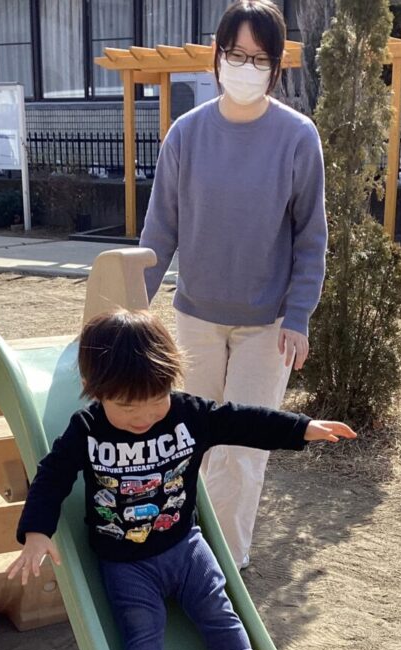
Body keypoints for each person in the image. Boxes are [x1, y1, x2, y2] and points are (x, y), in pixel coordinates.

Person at [6, 310, 355, 650]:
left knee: (218, 607)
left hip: (186, 547)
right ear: (96, 391)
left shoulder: (188, 414)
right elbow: (52, 476)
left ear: (171, 380)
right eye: (126, 406)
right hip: (125, 562)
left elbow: (244, 421)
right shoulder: (88, 429)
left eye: (156, 399)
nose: (144, 416)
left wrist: (302, 428)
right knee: (140, 628)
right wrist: (37, 531)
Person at [138, 0, 328, 571]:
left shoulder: (297, 137)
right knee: (190, 441)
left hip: (266, 325)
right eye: (235, 54)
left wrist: (299, 316)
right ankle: (181, 550)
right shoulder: (186, 134)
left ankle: (225, 566)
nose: (246, 67)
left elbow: (310, 237)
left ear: (276, 66)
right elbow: (159, 231)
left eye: (259, 58)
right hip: (196, 317)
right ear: (216, 57)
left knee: (243, 449)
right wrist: (129, 309)